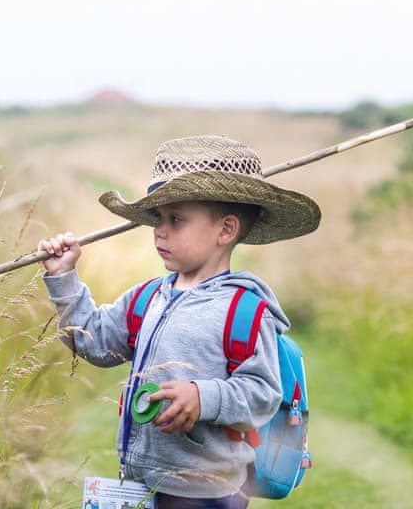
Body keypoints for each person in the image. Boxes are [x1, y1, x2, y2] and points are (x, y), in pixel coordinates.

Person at [37, 135, 320, 509]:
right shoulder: (147, 298)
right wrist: (64, 279)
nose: (159, 230)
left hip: (209, 493)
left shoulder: (245, 311)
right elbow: (94, 341)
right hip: (143, 481)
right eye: (158, 218)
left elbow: (263, 395)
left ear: (225, 230)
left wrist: (204, 397)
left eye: (176, 219)